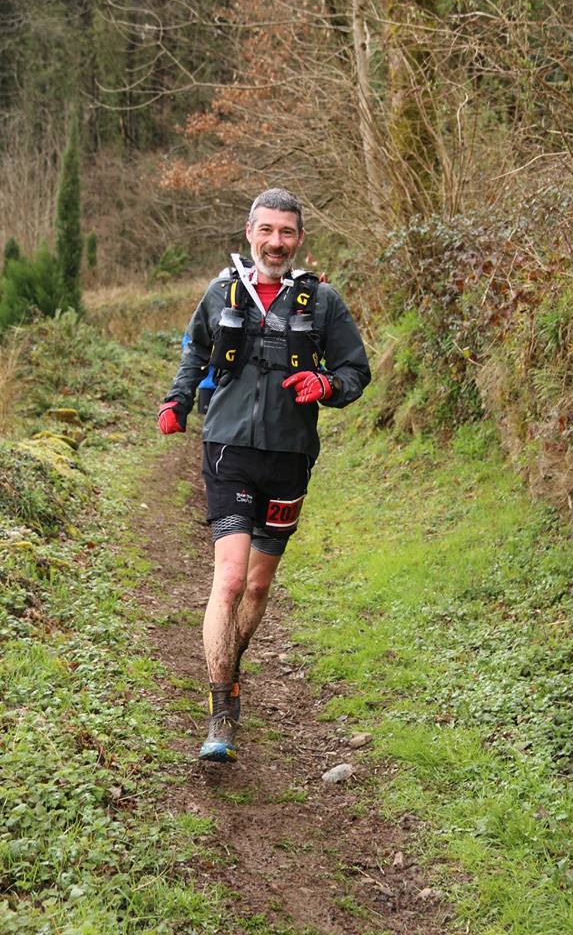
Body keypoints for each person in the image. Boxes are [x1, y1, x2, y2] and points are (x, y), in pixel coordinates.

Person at [157, 187, 371, 763]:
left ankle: (230, 664)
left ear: (299, 238)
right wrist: (177, 401)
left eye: (287, 232)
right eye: (267, 230)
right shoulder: (221, 293)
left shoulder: (322, 302)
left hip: (289, 456)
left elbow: (356, 370)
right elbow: (194, 353)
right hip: (228, 448)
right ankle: (220, 707)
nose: (276, 242)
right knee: (229, 580)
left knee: (256, 586)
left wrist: (327, 385)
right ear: (249, 232)